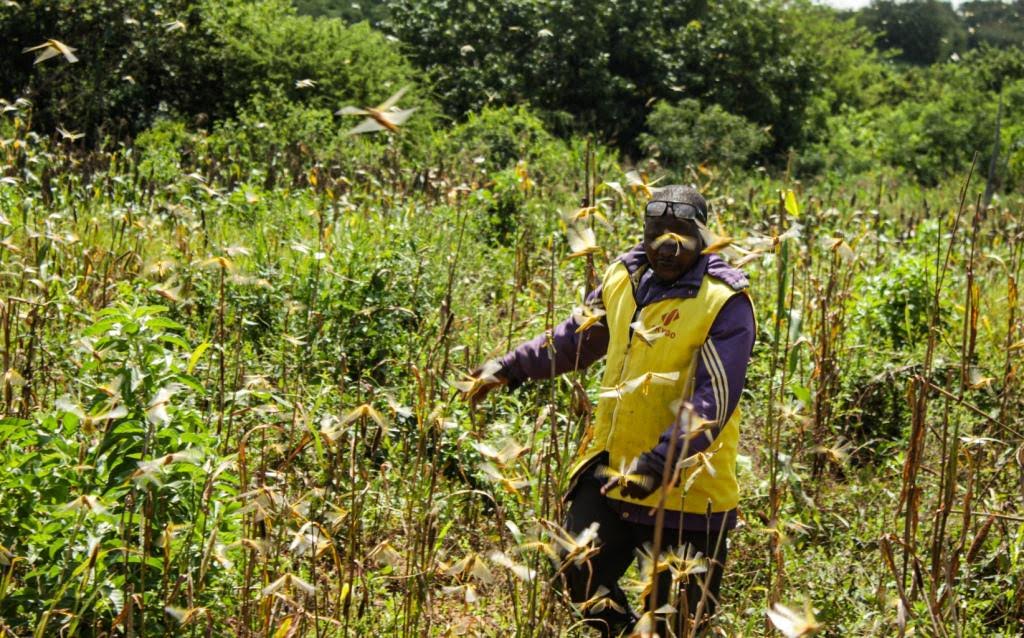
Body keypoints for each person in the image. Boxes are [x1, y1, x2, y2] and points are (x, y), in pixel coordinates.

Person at [467, 185, 755, 637]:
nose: (666, 244)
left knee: (676, 625)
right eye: (657, 231)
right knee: (574, 570)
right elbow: (574, 338)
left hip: (688, 493)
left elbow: (712, 400)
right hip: (614, 473)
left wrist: (661, 463)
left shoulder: (724, 301)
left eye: (681, 233)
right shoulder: (624, 276)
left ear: (703, 239)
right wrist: (509, 366)